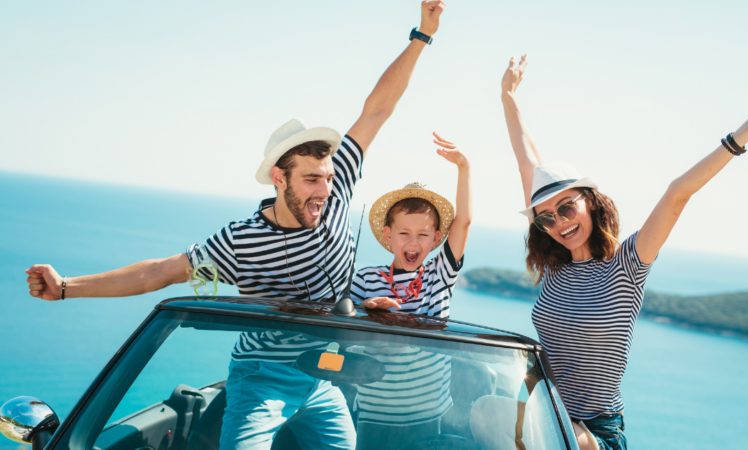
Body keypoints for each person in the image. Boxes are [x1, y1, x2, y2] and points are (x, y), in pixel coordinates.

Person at [24, 2, 447, 449]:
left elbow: (377, 109)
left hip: (322, 377)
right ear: (279, 178)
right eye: (310, 180)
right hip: (261, 378)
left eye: (326, 178)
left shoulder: (334, 184)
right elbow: (158, 273)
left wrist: (422, 34)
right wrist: (67, 286)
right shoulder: (239, 241)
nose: (324, 190)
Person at [500, 54, 748, 450]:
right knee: (483, 413)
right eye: (545, 219)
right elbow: (528, 162)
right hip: (546, 415)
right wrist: (507, 95)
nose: (559, 222)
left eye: (567, 207)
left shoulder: (626, 264)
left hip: (592, 432)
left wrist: (742, 136)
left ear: (590, 201)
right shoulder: (556, 267)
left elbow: (677, 194)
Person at [349, 133, 471, 450]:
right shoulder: (365, 278)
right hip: (374, 416)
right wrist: (366, 308)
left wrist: (464, 168)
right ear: (388, 235)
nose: (413, 243)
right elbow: (342, 323)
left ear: (436, 239)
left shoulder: (439, 274)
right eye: (403, 233)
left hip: (429, 417)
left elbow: (465, 221)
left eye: (422, 234)